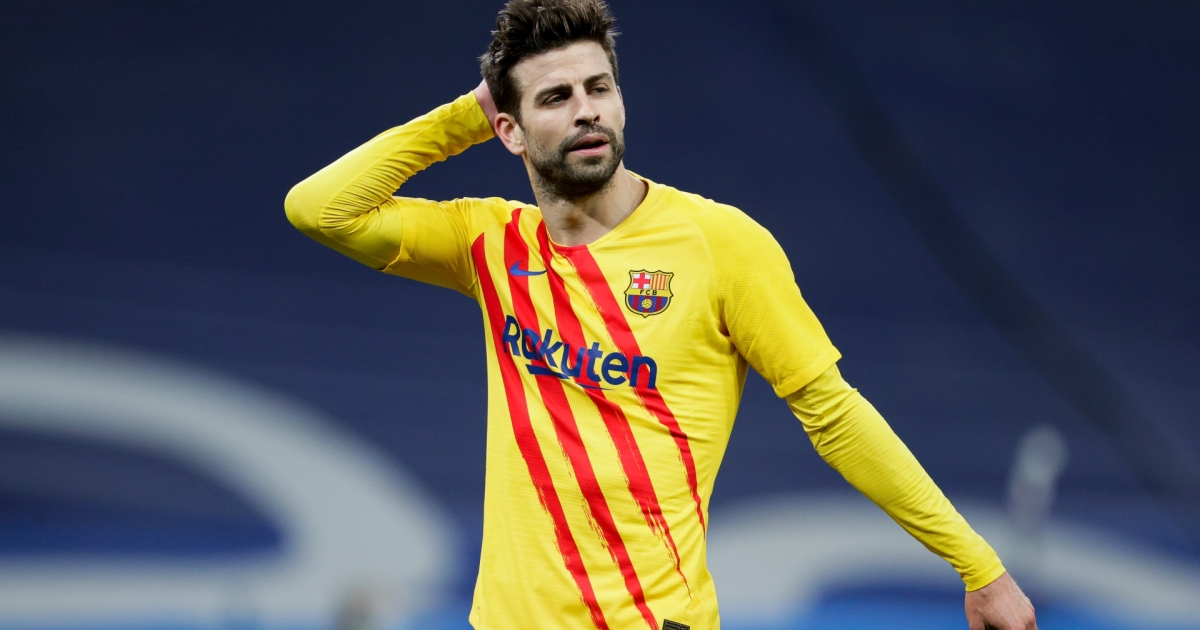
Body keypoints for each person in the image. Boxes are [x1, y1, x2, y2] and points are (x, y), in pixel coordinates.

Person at [284, 1, 1038, 628]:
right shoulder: (489, 241)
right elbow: (319, 210)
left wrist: (979, 568)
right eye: (555, 98)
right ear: (508, 130)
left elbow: (834, 415)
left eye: (599, 87)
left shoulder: (721, 244)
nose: (587, 110)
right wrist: (466, 115)